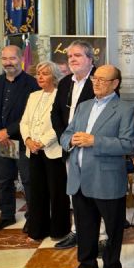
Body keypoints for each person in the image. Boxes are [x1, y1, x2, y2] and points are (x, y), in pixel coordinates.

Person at [61, 64, 134, 268]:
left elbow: (128, 144)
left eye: (103, 80)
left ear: (115, 83)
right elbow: (66, 134)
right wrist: (71, 141)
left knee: (113, 229)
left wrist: (95, 141)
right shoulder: (83, 107)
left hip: (107, 179)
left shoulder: (124, 109)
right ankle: (87, 264)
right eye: (95, 79)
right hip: (80, 177)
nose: (97, 83)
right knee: (84, 226)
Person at [0, 45, 39, 232]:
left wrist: (8, 131)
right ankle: (6, 216)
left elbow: (31, 115)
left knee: (29, 181)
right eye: (5, 59)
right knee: (4, 180)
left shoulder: (32, 84)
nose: (8, 63)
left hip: (23, 141)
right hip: (0, 142)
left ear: (21, 58)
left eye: (12, 58)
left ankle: (33, 216)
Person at [50, 40, 97, 250]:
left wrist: (82, 139)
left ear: (90, 58)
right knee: (74, 193)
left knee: (96, 195)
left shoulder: (100, 79)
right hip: (69, 147)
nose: (72, 60)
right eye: (70, 57)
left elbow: (105, 115)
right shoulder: (66, 82)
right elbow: (56, 113)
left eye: (77, 56)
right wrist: (65, 138)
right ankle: (78, 232)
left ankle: (102, 236)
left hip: (92, 148)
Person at [20, 61, 70, 241]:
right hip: (33, 151)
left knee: (57, 193)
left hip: (53, 151)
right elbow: (24, 122)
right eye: (38, 73)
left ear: (54, 76)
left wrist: (41, 142)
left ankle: (59, 230)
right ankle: (38, 230)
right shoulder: (33, 96)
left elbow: (61, 124)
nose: (40, 77)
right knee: (37, 192)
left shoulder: (61, 95)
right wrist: (28, 141)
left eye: (45, 74)